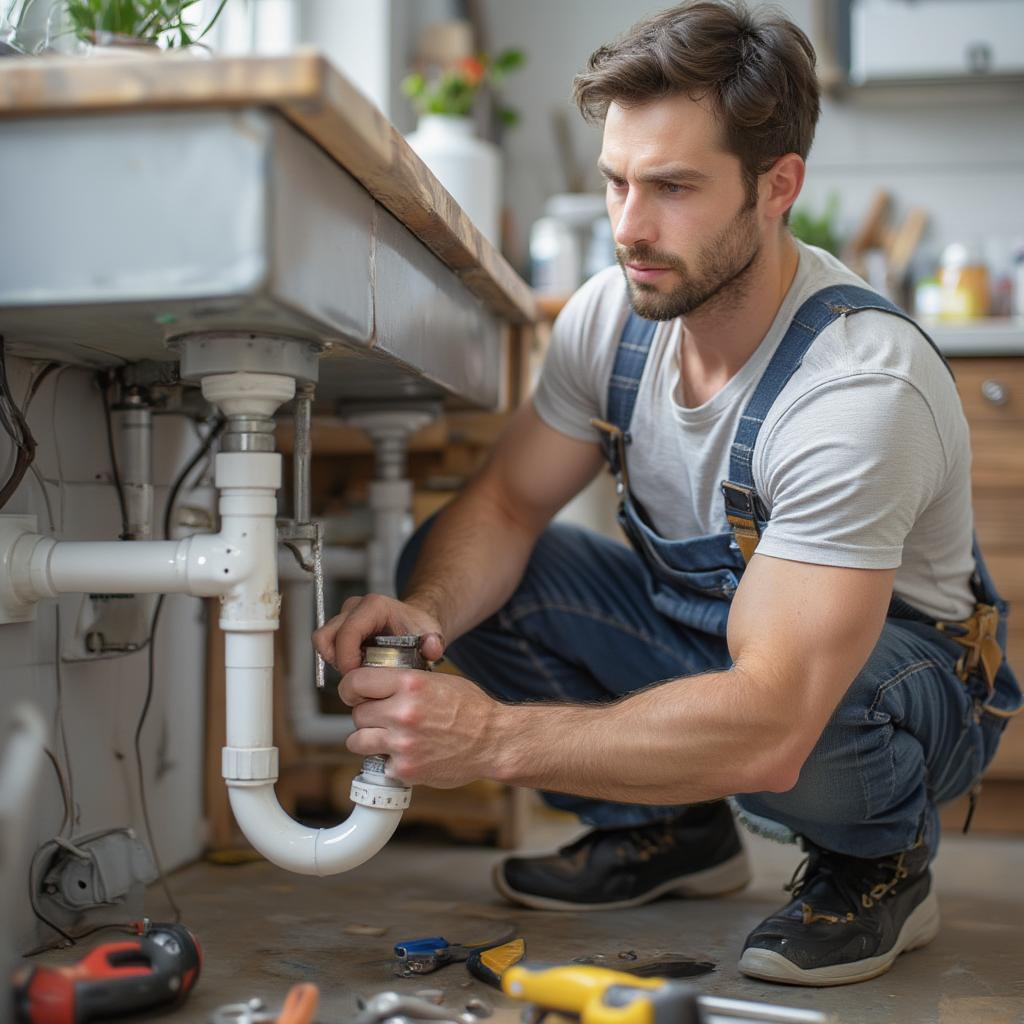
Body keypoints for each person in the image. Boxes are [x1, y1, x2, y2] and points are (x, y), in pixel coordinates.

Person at [314, 0, 1020, 987]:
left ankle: (879, 864)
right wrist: (424, 612)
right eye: (615, 183)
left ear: (777, 187)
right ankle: (669, 836)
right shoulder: (613, 317)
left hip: (889, 692)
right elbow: (508, 507)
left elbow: (771, 721)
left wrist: (491, 737)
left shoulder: (856, 388)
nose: (630, 228)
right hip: (732, 649)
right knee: (451, 565)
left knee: (808, 716)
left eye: (674, 188)